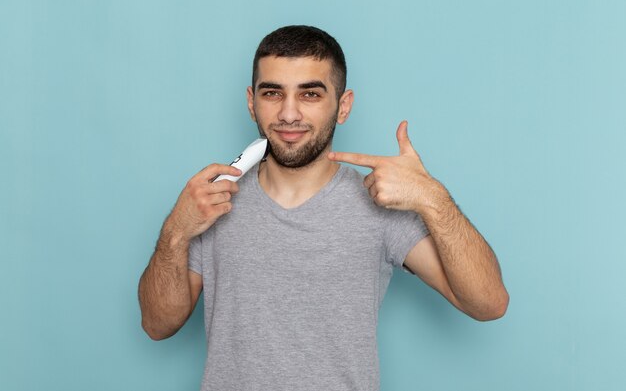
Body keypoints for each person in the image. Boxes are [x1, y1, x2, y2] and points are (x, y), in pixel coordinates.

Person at [138, 25, 509, 391]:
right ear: (252, 101)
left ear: (342, 106)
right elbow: (157, 325)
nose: (288, 113)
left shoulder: (379, 203)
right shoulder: (213, 201)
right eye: (272, 93)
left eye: (310, 94)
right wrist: (177, 229)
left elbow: (488, 303)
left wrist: (432, 197)